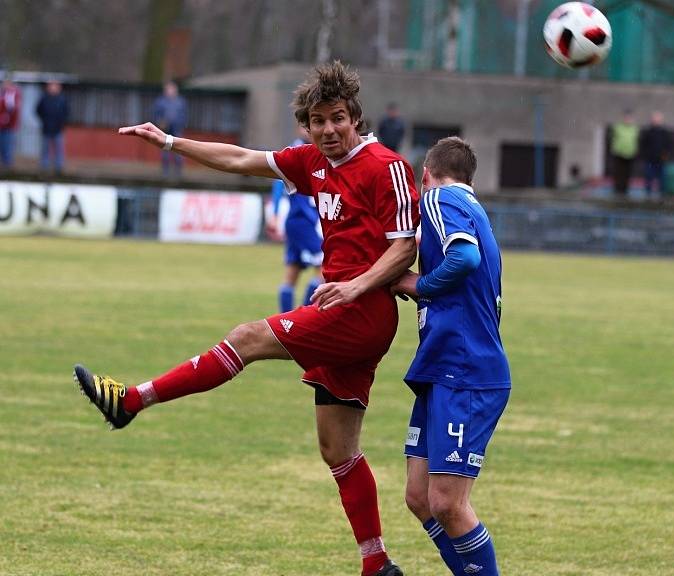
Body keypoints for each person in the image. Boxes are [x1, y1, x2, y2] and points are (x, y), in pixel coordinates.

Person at [74, 61, 418, 576]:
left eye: (338, 118)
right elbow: (237, 158)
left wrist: (356, 285)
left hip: (360, 313)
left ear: (355, 117)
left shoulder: (385, 165)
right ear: (307, 124)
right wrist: (169, 142)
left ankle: (129, 401)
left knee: (247, 338)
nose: (328, 130)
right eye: (318, 121)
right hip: (338, 307)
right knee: (337, 449)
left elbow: (405, 247)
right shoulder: (309, 162)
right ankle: (378, 564)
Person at [390, 137, 511, 576]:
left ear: (426, 175)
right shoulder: (474, 208)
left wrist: (417, 285)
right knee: (420, 497)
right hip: (445, 369)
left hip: (465, 370)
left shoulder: (440, 197)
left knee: (447, 502)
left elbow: (463, 256)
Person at [265, 126, 324, 312]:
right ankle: (302, 318)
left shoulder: (319, 152)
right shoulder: (294, 152)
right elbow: (277, 183)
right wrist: (274, 214)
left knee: (292, 273)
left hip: (301, 222)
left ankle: (286, 321)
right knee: (324, 270)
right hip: (302, 221)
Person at [153, 81, 187, 177]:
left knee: (179, 150)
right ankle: (165, 172)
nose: (170, 91)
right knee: (165, 150)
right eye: (168, 89)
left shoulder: (181, 102)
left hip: (177, 129)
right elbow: (156, 115)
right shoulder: (160, 102)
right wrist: (160, 122)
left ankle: (178, 173)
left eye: (172, 89)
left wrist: (181, 124)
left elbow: (184, 116)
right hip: (165, 130)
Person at [36, 81, 69, 173]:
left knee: (59, 149)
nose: (53, 88)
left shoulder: (62, 99)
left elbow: (66, 112)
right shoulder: (44, 99)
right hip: (46, 128)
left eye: (55, 87)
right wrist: (44, 120)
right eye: (51, 87)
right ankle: (44, 166)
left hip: (58, 129)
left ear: (59, 88)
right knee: (45, 148)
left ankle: (59, 167)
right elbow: (38, 110)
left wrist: (61, 123)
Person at [639, 111, 671, 199]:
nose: (656, 121)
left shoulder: (665, 133)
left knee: (662, 179)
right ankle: (648, 195)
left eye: (658, 119)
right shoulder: (648, 132)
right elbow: (643, 145)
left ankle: (662, 195)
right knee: (648, 178)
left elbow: (669, 145)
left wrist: (666, 155)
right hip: (650, 160)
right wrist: (645, 155)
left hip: (661, 160)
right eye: (655, 119)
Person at [610, 109, 639, 197]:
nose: (628, 120)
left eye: (629, 118)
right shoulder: (618, 127)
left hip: (630, 153)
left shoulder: (635, 128)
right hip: (619, 153)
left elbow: (636, 140)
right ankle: (617, 189)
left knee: (627, 173)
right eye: (626, 118)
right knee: (618, 172)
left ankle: (625, 189)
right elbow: (612, 138)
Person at [0, 76, 22, 169]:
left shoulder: (13, 94)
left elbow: (14, 110)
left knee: (7, 148)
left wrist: (8, 120)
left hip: (8, 127)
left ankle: (7, 167)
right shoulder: (2, 94)